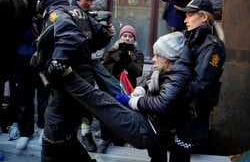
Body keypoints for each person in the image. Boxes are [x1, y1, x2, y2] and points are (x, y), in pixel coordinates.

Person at [58, 31, 191, 161]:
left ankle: (69, 77)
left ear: (168, 57)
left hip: (147, 131)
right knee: (112, 85)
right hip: (146, 119)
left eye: (157, 55)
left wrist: (136, 101)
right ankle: (93, 60)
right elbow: (148, 77)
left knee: (103, 101)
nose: (154, 59)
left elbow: (162, 103)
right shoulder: (165, 67)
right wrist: (140, 88)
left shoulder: (178, 76)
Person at [33, 0, 116, 161]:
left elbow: (70, 37)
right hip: (82, 85)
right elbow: (98, 40)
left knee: (51, 141)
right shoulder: (80, 13)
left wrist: (56, 64)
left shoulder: (56, 12)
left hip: (67, 86)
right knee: (66, 137)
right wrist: (106, 34)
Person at [168, 0, 226, 162]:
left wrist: (172, 98)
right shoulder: (191, 37)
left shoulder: (213, 46)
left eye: (190, 15)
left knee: (180, 153)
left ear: (204, 17)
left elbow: (201, 82)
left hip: (194, 111)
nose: (185, 20)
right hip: (182, 109)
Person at [70, 0, 116, 152]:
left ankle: (86, 133)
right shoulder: (67, 14)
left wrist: (107, 35)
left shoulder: (90, 16)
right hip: (70, 66)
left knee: (87, 103)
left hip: (88, 67)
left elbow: (96, 44)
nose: (89, 3)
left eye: (91, 0)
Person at [0, 0, 37, 138]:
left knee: (22, 95)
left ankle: (23, 129)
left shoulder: (26, 19)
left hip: (22, 60)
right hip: (15, 58)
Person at [100, 24, 144, 153]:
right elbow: (105, 69)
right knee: (108, 112)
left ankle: (121, 139)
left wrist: (129, 60)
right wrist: (120, 58)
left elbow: (139, 71)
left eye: (130, 36)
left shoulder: (138, 53)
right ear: (120, 38)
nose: (127, 38)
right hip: (113, 85)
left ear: (134, 40)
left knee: (125, 114)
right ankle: (105, 139)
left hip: (129, 88)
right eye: (124, 35)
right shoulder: (112, 51)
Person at [13, 23, 49, 150]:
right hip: (21, 58)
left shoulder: (45, 7)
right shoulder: (18, 11)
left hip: (42, 58)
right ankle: (25, 132)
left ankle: (43, 128)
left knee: (44, 96)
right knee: (24, 97)